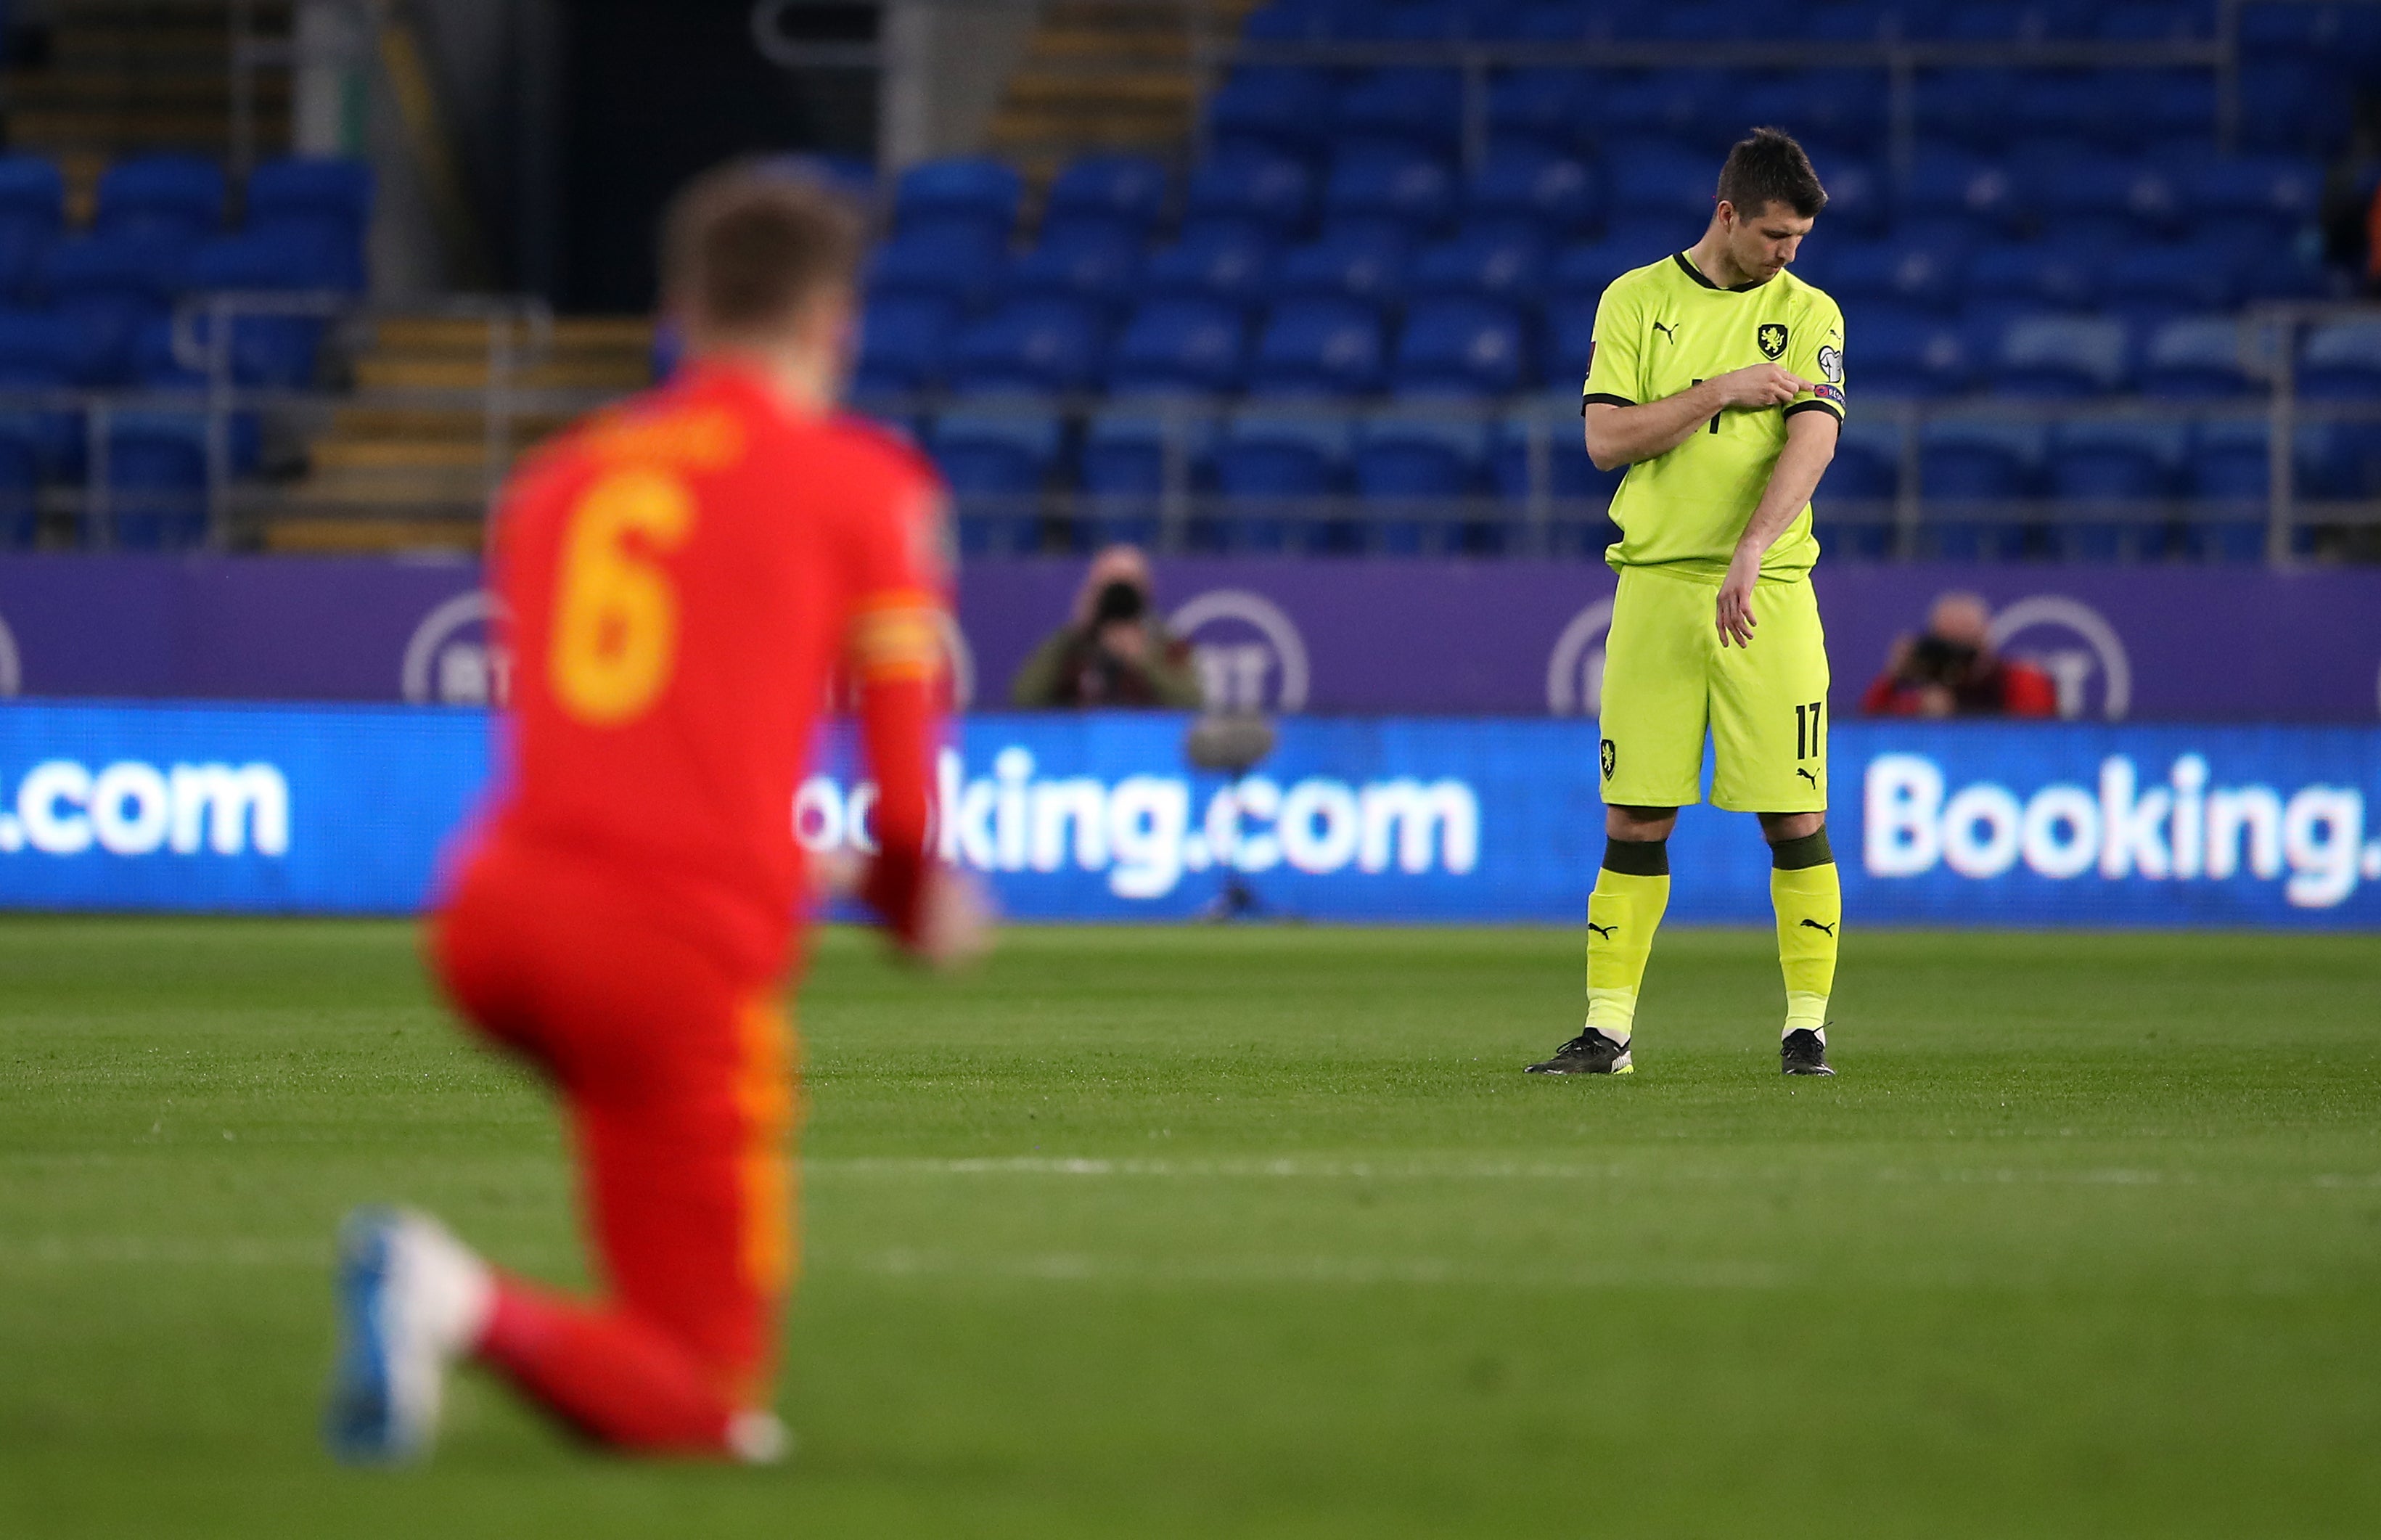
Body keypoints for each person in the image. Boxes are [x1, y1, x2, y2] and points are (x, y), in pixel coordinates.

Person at [322, 163, 991, 1464]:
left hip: (496, 920)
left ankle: (497, 1311)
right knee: (704, 1403)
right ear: (831, 322)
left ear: (679, 311)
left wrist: (798, 859)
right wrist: (915, 903)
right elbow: (907, 798)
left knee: (655, 1260)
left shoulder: (562, 478)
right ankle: (443, 1293)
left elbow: (638, 758)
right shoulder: (865, 485)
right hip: (662, 954)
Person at [1525, 127, 1846, 1080]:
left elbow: (1812, 442)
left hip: (1772, 592)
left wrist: (1752, 546)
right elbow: (1606, 439)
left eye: (1797, 238)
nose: (1787, 253)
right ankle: (1608, 1032)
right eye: (1774, 236)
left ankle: (1806, 1031)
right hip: (1658, 586)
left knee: (1793, 812)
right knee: (1634, 815)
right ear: (1727, 215)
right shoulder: (1636, 299)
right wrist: (1719, 390)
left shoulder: (1812, 311)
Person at [1009, 544, 1205, 708]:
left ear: (1146, 591)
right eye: (1109, 588)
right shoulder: (1072, 645)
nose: (1118, 598)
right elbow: (1023, 699)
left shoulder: (1167, 646)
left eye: (1127, 587)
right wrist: (1074, 633)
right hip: (1080, 748)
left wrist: (1145, 660)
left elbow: (1192, 704)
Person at [1861, 591, 2059, 718]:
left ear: (1984, 638)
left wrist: (1957, 716)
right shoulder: (1923, 690)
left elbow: (2037, 731)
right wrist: (1894, 675)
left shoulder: (2018, 680)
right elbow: (1867, 727)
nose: (1958, 655)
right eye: (1948, 642)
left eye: (1966, 640)